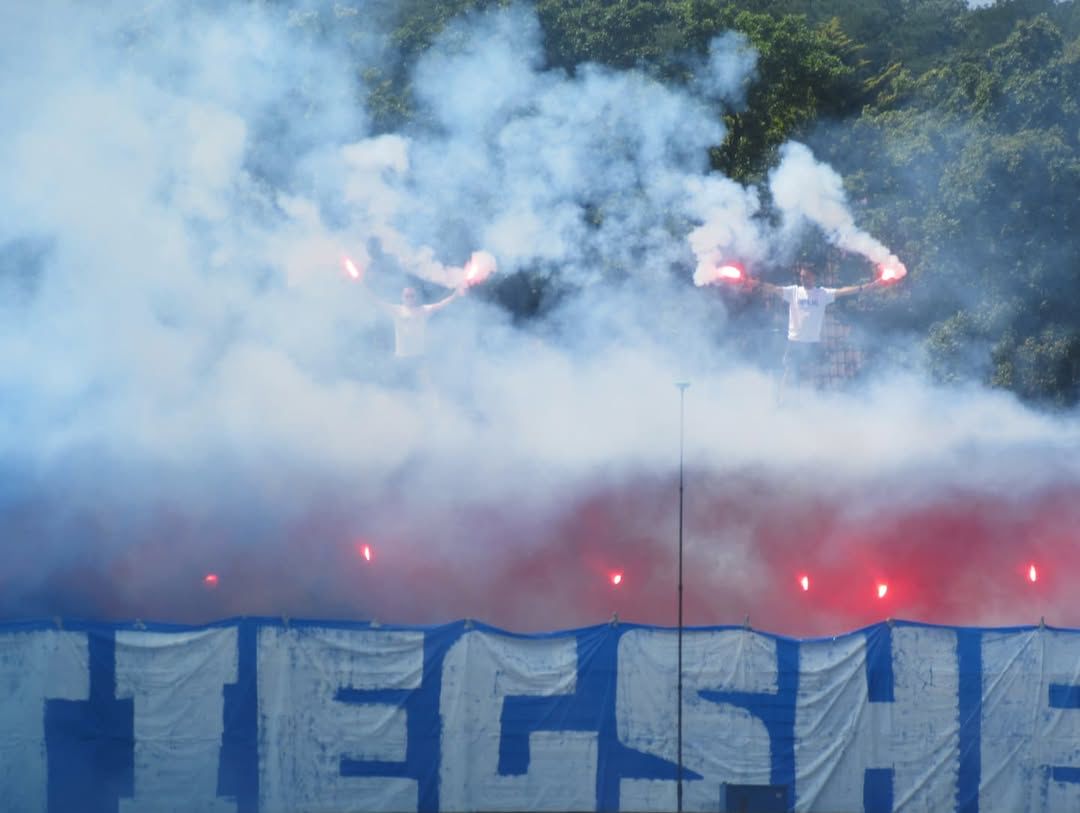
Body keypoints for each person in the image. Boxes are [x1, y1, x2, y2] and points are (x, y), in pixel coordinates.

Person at [751, 265, 888, 394]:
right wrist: (755, 283)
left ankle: (808, 402)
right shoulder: (793, 292)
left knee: (810, 373)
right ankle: (782, 402)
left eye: (807, 277)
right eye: (802, 276)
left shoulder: (822, 294)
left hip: (812, 342)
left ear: (814, 277)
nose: (804, 279)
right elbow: (774, 289)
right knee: (789, 371)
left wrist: (864, 287)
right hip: (795, 341)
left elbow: (842, 291)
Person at [364, 283, 464, 387]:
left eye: (412, 296)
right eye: (407, 296)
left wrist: (456, 294)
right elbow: (376, 301)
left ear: (415, 297)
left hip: (419, 358)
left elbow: (442, 304)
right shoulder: (396, 310)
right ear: (402, 298)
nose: (409, 298)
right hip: (401, 358)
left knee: (427, 387)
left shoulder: (424, 310)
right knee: (397, 388)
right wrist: (363, 286)